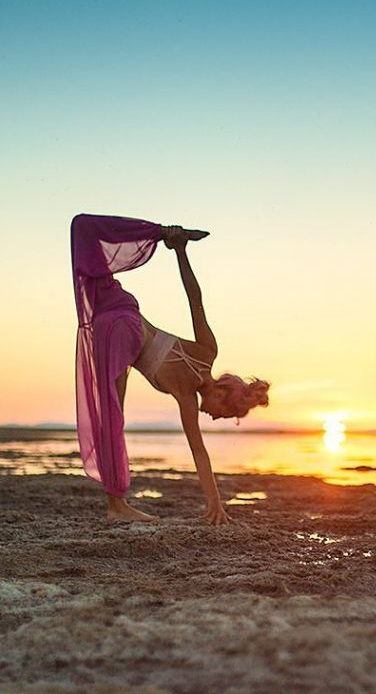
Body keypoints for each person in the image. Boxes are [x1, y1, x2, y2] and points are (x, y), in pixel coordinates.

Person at [70, 214, 270, 525]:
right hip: (122, 331)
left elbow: (195, 298)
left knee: (83, 228)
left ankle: (165, 233)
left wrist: (179, 250)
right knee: (111, 416)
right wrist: (215, 504)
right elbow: (199, 451)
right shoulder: (188, 393)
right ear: (222, 392)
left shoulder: (207, 352)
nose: (215, 417)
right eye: (223, 413)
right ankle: (116, 507)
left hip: (120, 309)